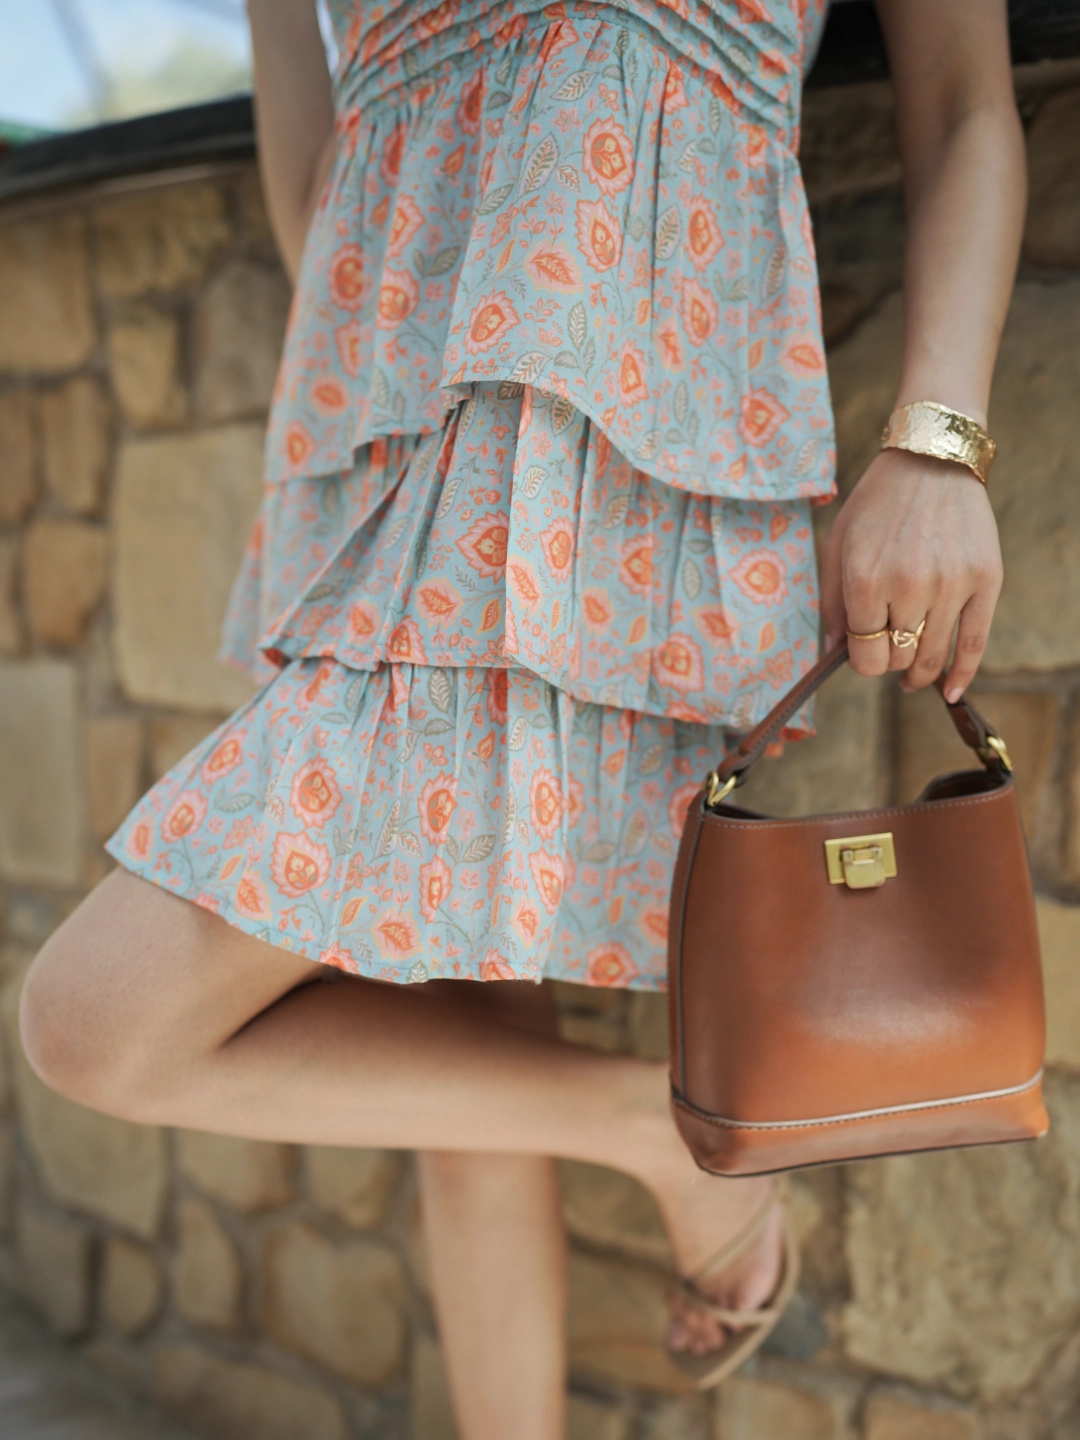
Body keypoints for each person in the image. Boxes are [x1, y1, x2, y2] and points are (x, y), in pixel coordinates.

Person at [19, 0, 1022, 1432]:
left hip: (597, 428)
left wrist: (942, 443)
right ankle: (652, 1138)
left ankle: (655, 1139)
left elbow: (963, 104)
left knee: (94, 1021)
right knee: (460, 1086)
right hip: (402, 459)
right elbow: (337, 194)